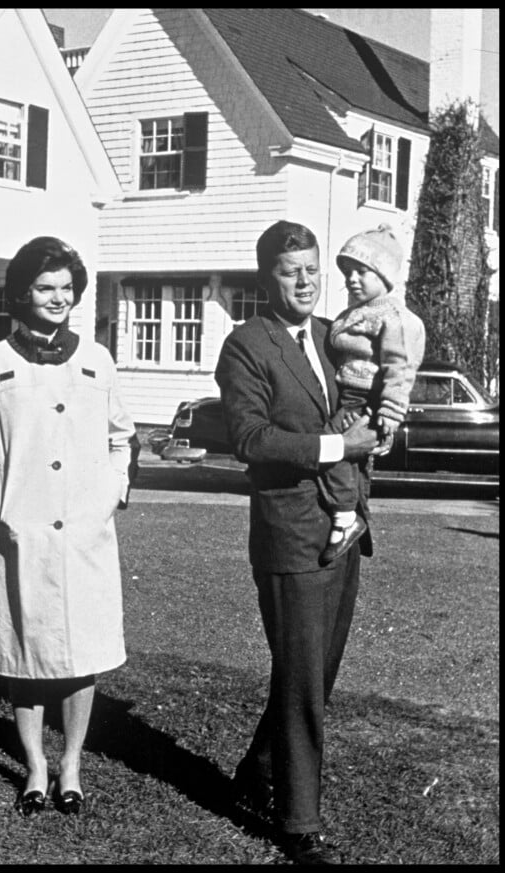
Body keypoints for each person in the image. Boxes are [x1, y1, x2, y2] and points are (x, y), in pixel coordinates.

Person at [0, 236, 138, 817]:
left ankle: (72, 763)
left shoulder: (97, 359)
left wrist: (108, 494)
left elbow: (120, 437)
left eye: (66, 288)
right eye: (44, 288)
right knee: (24, 651)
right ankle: (34, 765)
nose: (58, 298)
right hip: (22, 533)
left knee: (82, 650)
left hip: (85, 532)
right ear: (22, 294)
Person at [215, 220, 380, 865]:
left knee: (315, 675)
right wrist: (340, 446)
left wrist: (377, 428)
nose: (307, 280)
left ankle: (258, 769)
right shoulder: (246, 346)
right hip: (291, 536)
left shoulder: (332, 336)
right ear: (268, 278)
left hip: (345, 527)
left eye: (313, 268)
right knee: (305, 678)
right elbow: (251, 440)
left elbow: (355, 407)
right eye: (292, 271)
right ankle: (297, 821)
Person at [318, 224, 426, 565]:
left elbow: (400, 369)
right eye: (348, 272)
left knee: (329, 449)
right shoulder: (354, 314)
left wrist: (387, 417)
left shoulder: (395, 318)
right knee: (346, 458)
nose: (352, 279)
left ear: (384, 275)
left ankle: (346, 518)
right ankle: (348, 515)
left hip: (364, 402)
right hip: (345, 397)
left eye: (362, 271)